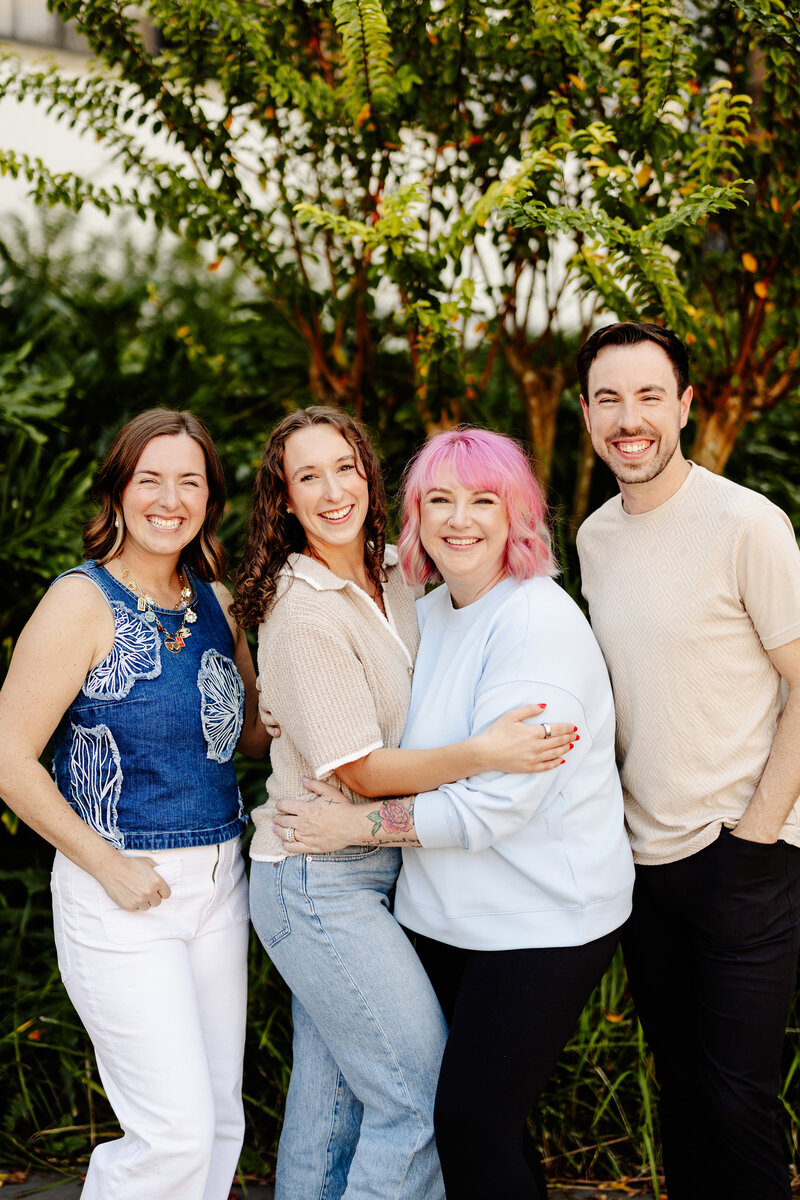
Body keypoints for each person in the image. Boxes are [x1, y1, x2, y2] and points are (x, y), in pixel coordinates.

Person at [272, 426, 634, 1200]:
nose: (459, 519)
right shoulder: (428, 612)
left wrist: (359, 826)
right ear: (414, 514)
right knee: (476, 1123)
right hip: (441, 913)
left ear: (517, 516)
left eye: (483, 500)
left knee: (467, 1121)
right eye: (439, 500)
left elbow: (498, 805)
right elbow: (367, 724)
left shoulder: (538, 626)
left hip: (541, 918)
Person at [0, 409, 268, 1200]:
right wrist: (108, 867)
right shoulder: (82, 601)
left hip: (221, 879)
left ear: (209, 498)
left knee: (219, 1125)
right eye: (150, 478)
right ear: (118, 489)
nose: (169, 497)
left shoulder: (217, 601)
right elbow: (9, 759)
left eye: (189, 480)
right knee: (172, 1135)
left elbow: (250, 737)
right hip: (119, 885)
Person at [575, 321, 800, 1200]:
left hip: (744, 851)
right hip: (642, 863)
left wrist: (754, 837)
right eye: (609, 399)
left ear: (686, 405)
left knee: (739, 1100)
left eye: (648, 396)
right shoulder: (595, 538)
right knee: (684, 1091)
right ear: (588, 413)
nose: (629, 419)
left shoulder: (748, 522)